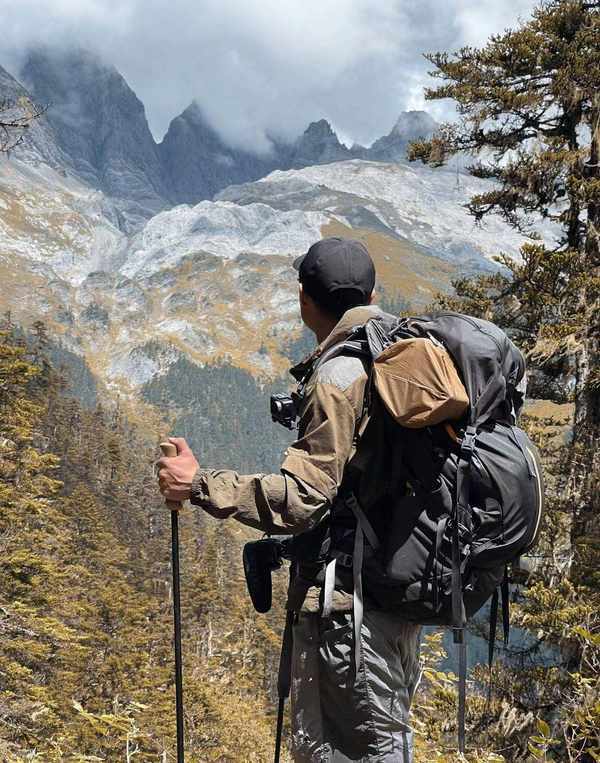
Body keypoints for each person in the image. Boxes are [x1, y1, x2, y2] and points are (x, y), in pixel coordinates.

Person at [157, 236, 422, 762]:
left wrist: (199, 483)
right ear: (371, 295)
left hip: (348, 612)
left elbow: (303, 497)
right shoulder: (393, 357)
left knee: (352, 753)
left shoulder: (340, 375)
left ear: (305, 300)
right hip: (389, 597)